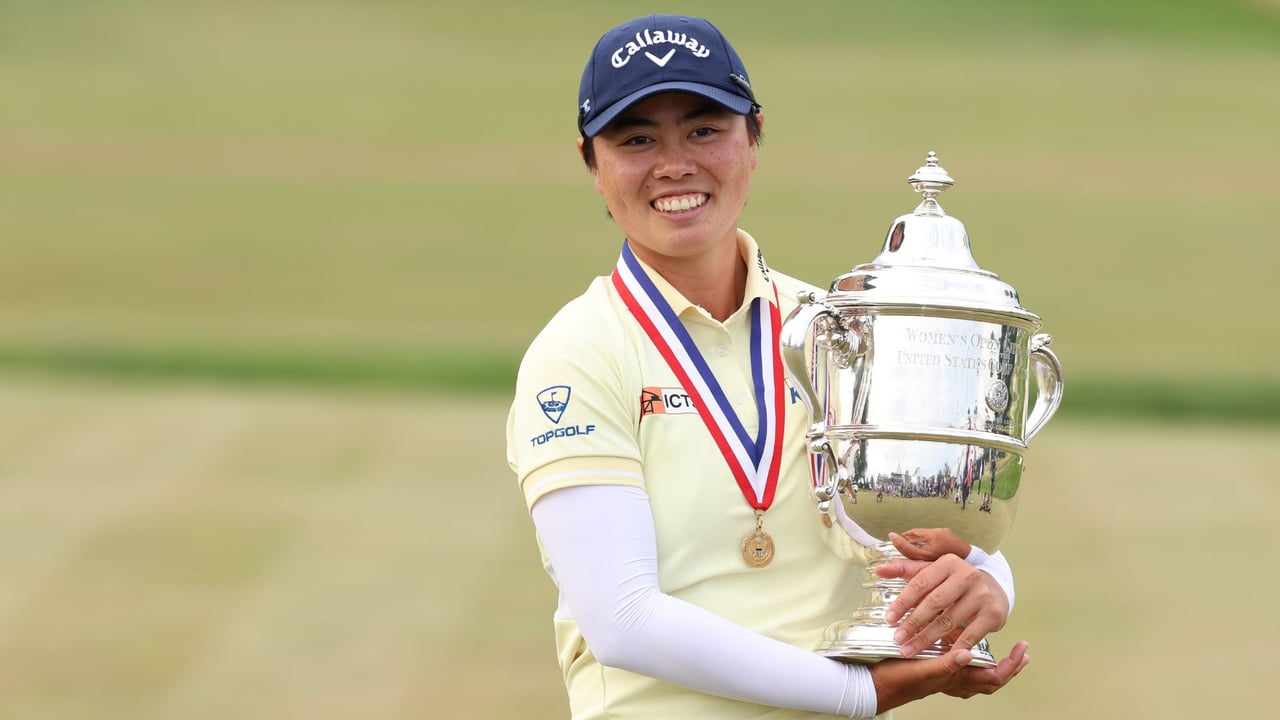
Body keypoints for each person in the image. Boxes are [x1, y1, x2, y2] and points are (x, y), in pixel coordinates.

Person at [506, 14, 1029, 719]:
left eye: (704, 129)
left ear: (753, 138)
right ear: (592, 165)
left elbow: (917, 521)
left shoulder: (840, 328)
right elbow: (621, 618)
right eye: (636, 139)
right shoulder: (578, 353)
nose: (674, 164)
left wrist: (989, 582)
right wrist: (857, 694)